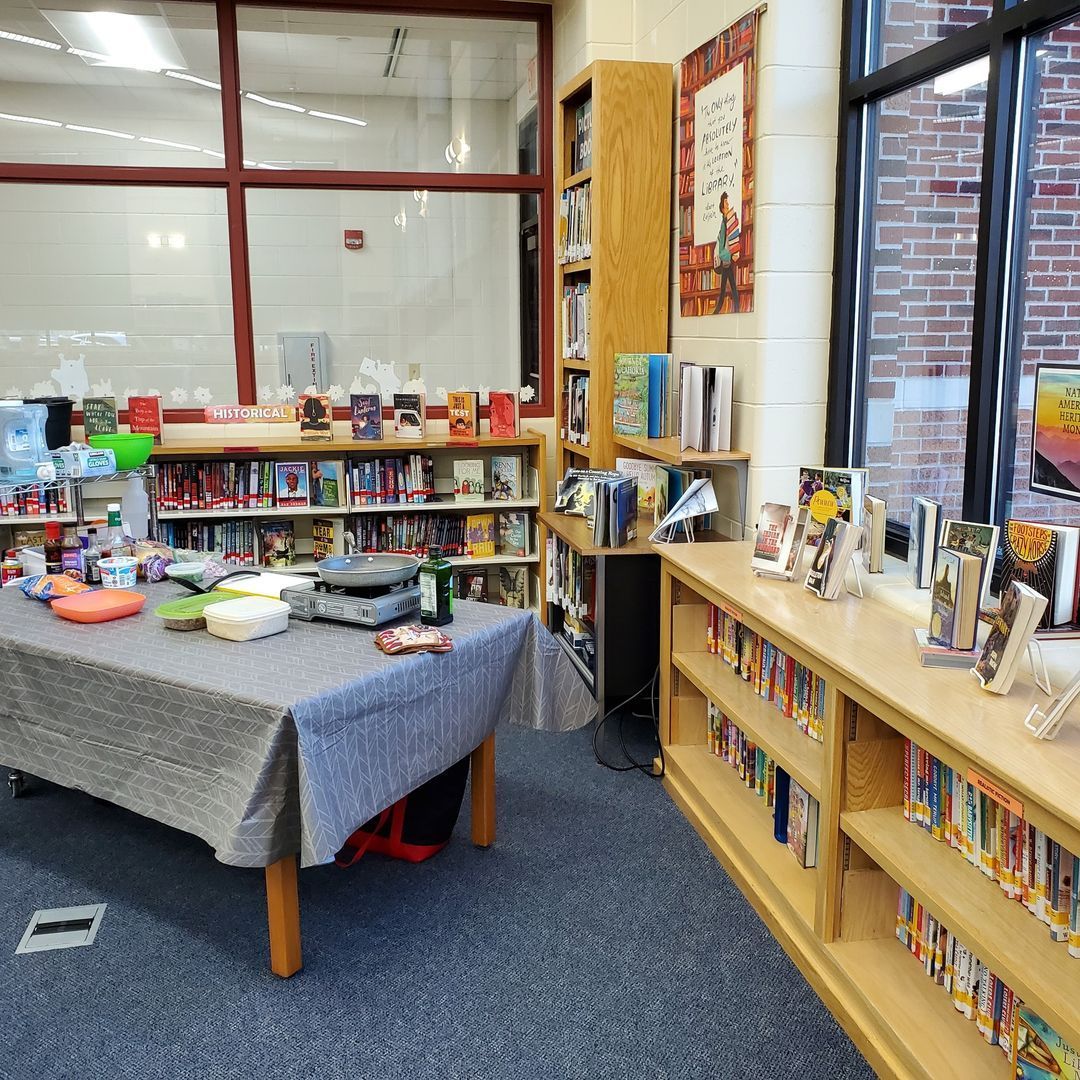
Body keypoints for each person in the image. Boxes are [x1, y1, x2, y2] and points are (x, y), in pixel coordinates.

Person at [713, 191, 742, 314]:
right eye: (726, 202)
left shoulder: (726, 221)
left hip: (727, 259)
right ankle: (734, 309)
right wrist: (729, 255)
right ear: (722, 206)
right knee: (729, 288)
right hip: (726, 258)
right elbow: (723, 242)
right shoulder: (725, 222)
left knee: (727, 288)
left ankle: (724, 309)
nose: (728, 204)